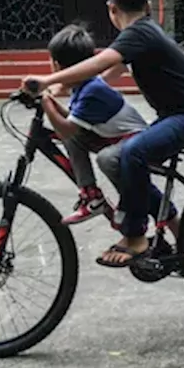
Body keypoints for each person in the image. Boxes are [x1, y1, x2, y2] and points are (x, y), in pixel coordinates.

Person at [22, 0, 184, 267]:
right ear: (148, 4)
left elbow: (100, 63)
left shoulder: (139, 33)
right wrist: (62, 86)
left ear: (111, 9)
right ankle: (181, 231)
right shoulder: (143, 34)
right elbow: (104, 74)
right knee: (119, 158)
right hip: (176, 115)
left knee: (132, 154)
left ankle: (135, 237)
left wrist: (47, 82)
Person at [39, 23, 146, 227]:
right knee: (72, 139)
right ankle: (92, 196)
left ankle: (129, 205)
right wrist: (50, 102)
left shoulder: (91, 91)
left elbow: (65, 128)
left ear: (58, 66)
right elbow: (72, 121)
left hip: (133, 139)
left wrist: (45, 101)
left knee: (105, 158)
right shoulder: (84, 84)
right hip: (114, 136)